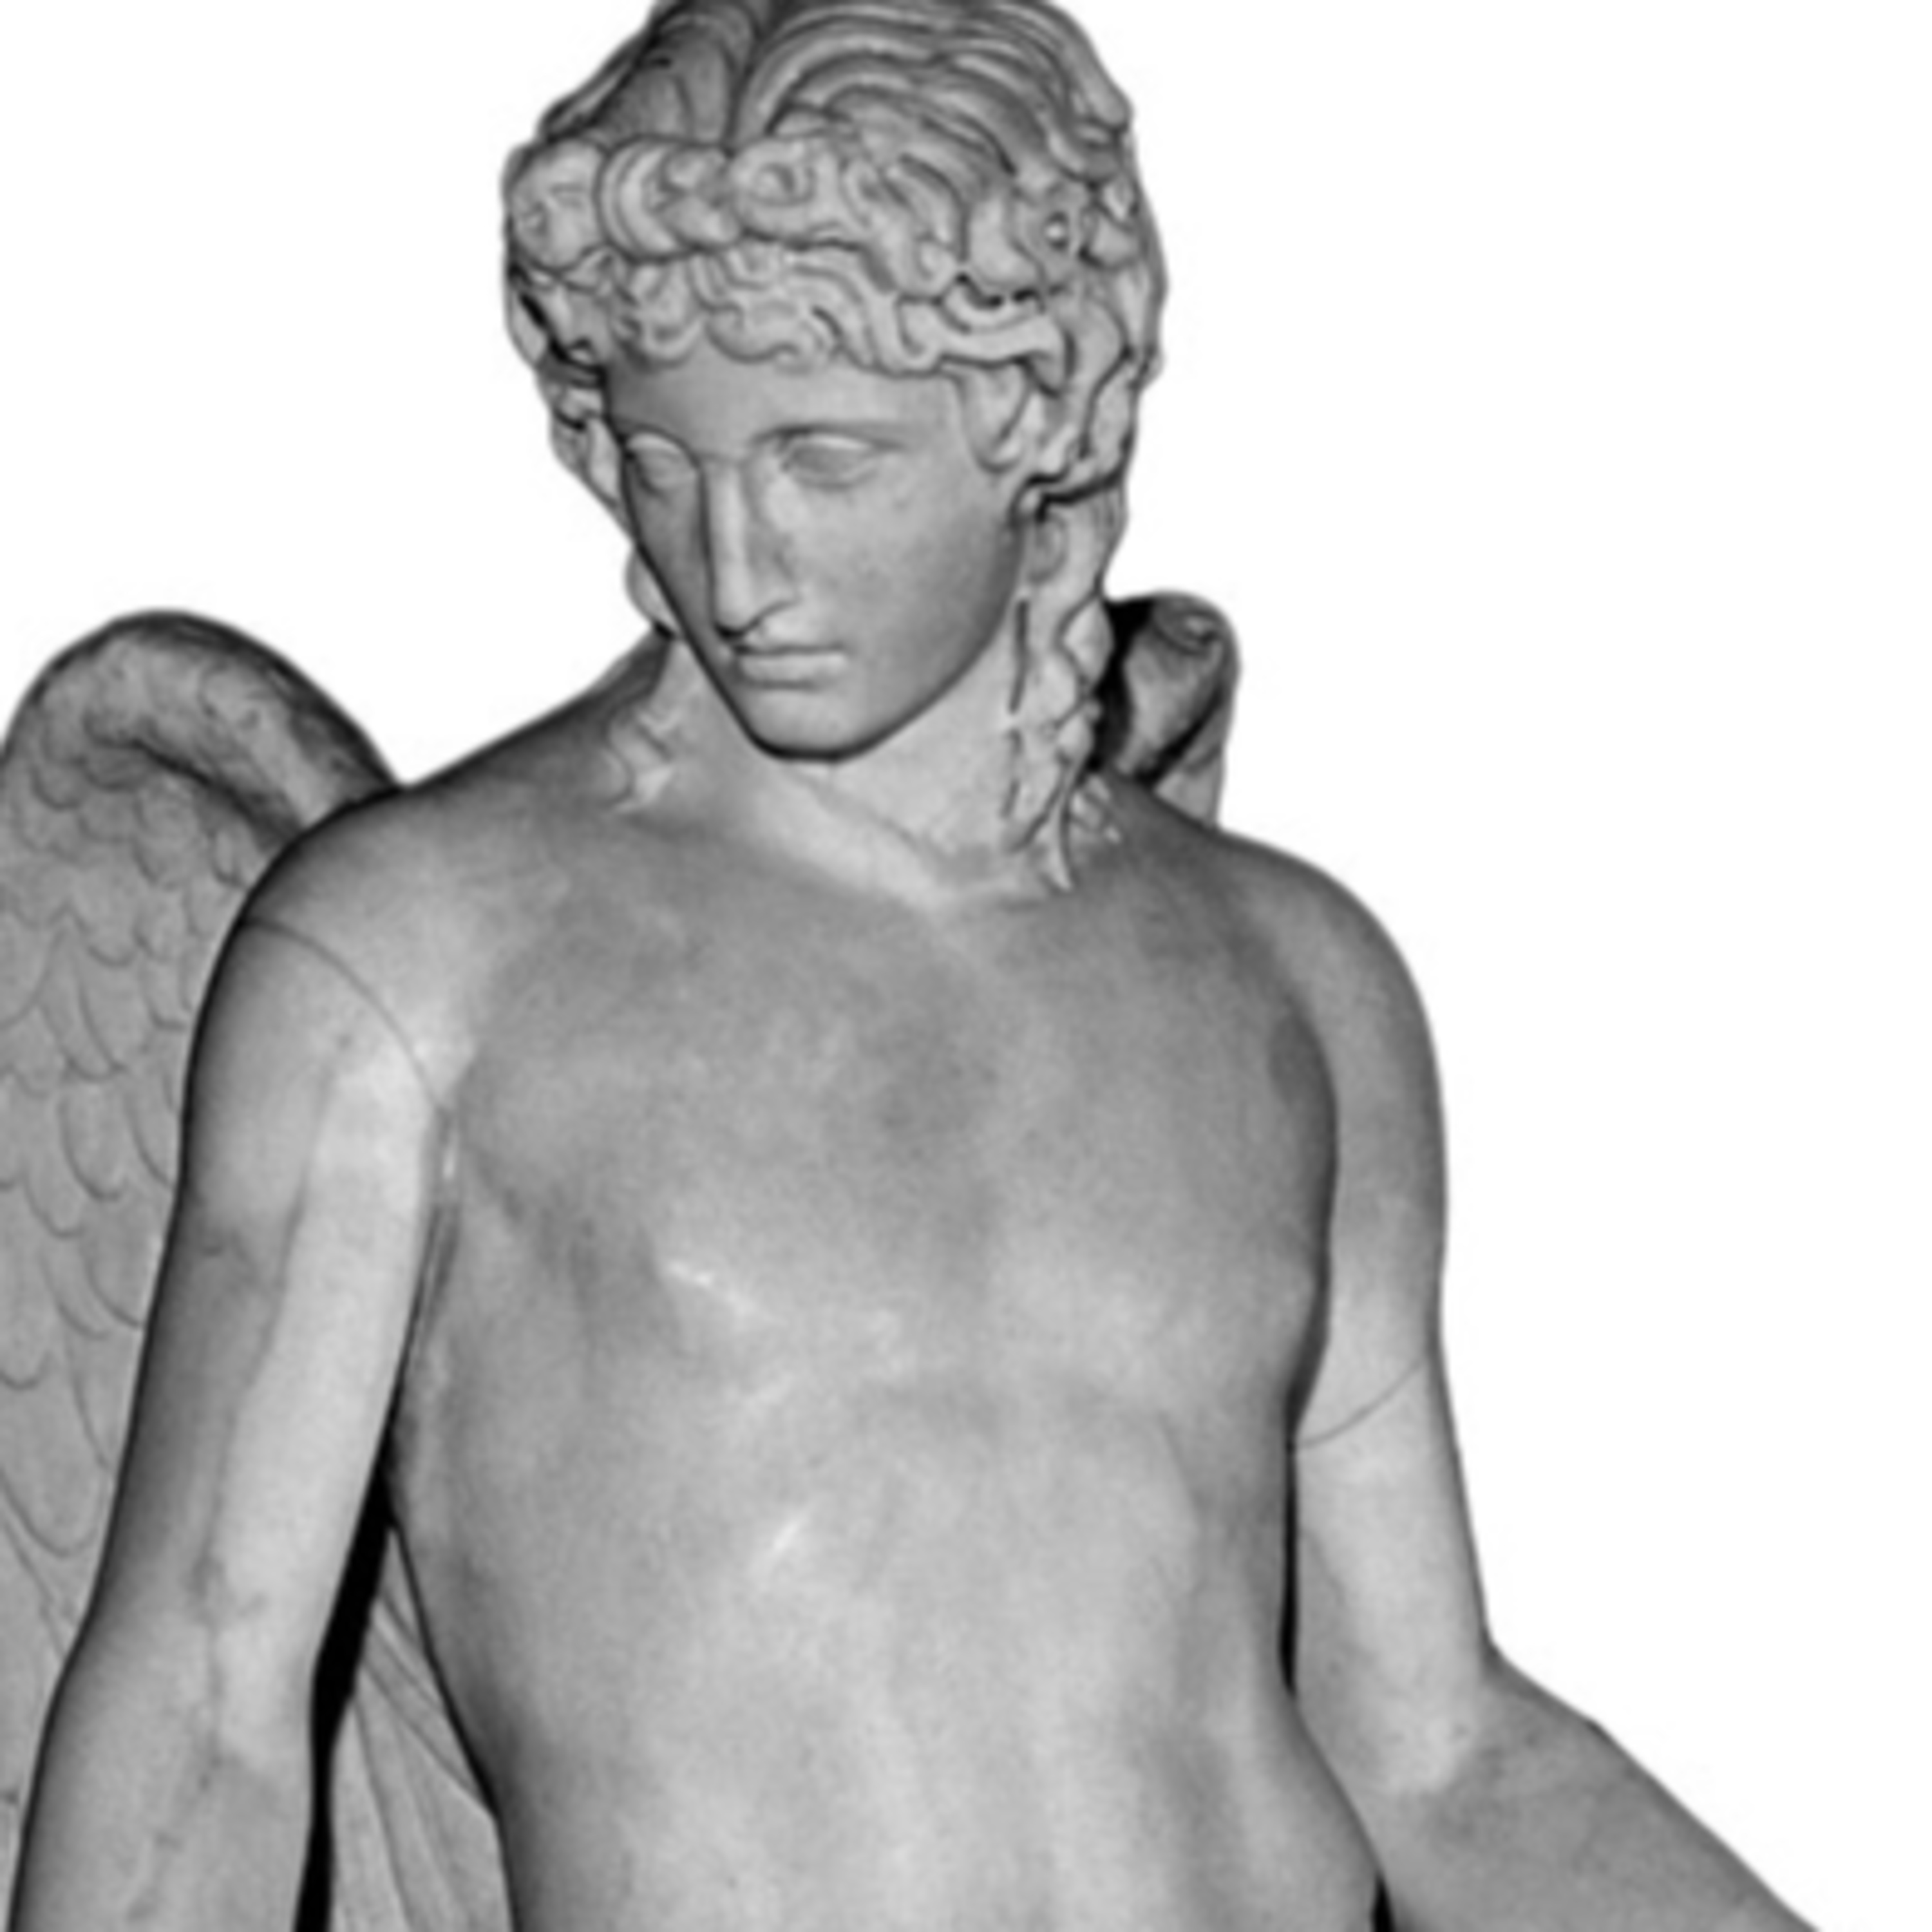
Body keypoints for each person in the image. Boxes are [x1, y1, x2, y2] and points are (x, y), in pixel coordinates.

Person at [10, 1, 1812, 1926]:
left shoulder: (1291, 979)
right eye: (662, 458)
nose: (735, 562)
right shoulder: (419, 964)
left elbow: (1436, 1748)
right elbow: (205, 1710)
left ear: (1040, 416)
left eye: (826, 458)